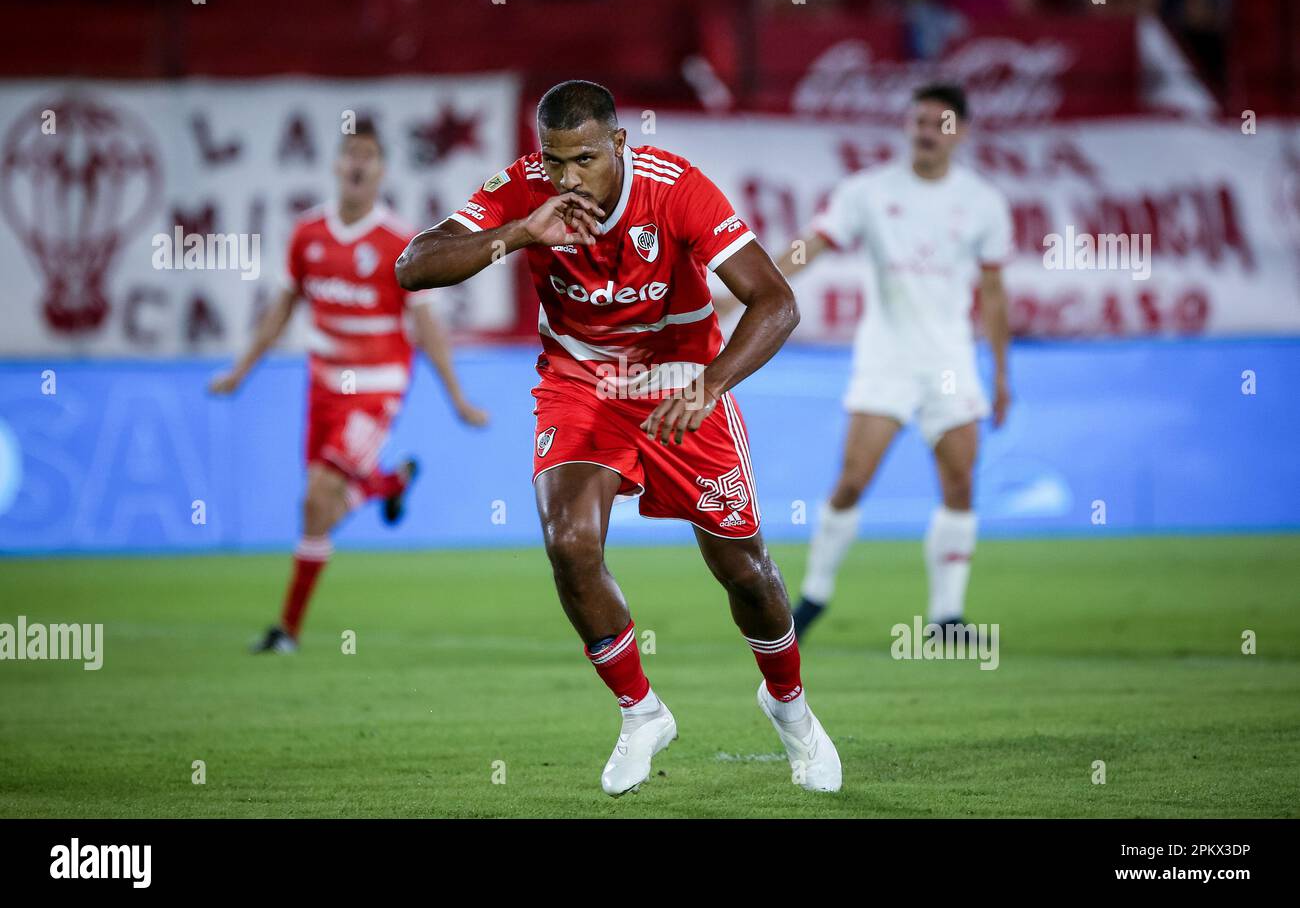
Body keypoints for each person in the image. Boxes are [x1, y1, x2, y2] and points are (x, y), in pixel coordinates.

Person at [395, 80, 841, 796]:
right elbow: (411, 266)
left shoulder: (676, 189)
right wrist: (517, 233)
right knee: (570, 544)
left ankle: (788, 705)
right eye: (555, 161)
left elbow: (776, 302)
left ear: (619, 145)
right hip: (582, 385)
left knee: (746, 572)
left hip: (682, 382)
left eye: (585, 160)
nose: (568, 178)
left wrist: (711, 384)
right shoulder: (524, 192)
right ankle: (642, 712)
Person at [210, 121, 488, 653]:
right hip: (322, 384)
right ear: (337, 165)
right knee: (316, 506)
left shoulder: (400, 242)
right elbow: (282, 309)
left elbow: (426, 326)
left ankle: (287, 631)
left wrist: (457, 397)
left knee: (317, 500)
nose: (358, 164)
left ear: (381, 171)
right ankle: (387, 485)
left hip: (377, 385)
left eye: (368, 156)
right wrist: (240, 371)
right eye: (350, 154)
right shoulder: (308, 234)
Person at [769, 83, 1013, 639]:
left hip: (950, 359)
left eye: (940, 124)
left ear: (961, 133)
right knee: (853, 481)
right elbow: (815, 243)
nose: (927, 132)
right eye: (919, 121)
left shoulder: (983, 202)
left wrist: (1002, 374)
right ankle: (813, 596)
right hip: (887, 360)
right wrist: (749, 288)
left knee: (959, 484)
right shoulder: (869, 192)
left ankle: (947, 617)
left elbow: (995, 294)